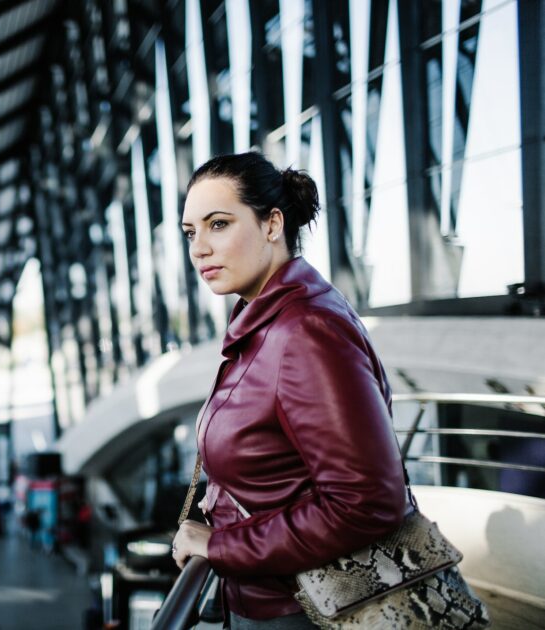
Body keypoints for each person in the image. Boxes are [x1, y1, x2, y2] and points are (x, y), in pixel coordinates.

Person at [171, 152, 409, 628]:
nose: (199, 248)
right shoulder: (264, 323)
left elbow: (368, 502)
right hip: (273, 598)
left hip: (305, 610)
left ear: (272, 223)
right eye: (191, 232)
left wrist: (218, 544)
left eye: (218, 224)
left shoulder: (304, 331)